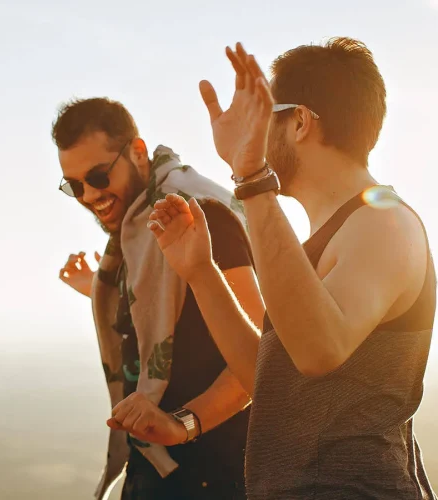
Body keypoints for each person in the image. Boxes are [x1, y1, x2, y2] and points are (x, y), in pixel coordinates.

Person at [112, 38, 436, 498]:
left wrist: (250, 178)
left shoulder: (384, 222)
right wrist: (203, 273)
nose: (255, 135)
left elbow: (318, 351)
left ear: (300, 122)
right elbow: (271, 380)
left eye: (265, 118)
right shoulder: (321, 241)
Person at [53, 97, 265, 499]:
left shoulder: (200, 215)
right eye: (74, 185)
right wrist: (99, 290)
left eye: (97, 176)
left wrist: (183, 424)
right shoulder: (136, 232)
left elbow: (259, 357)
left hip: (215, 474)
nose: (87, 195)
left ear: (136, 152)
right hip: (154, 468)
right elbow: (171, 318)